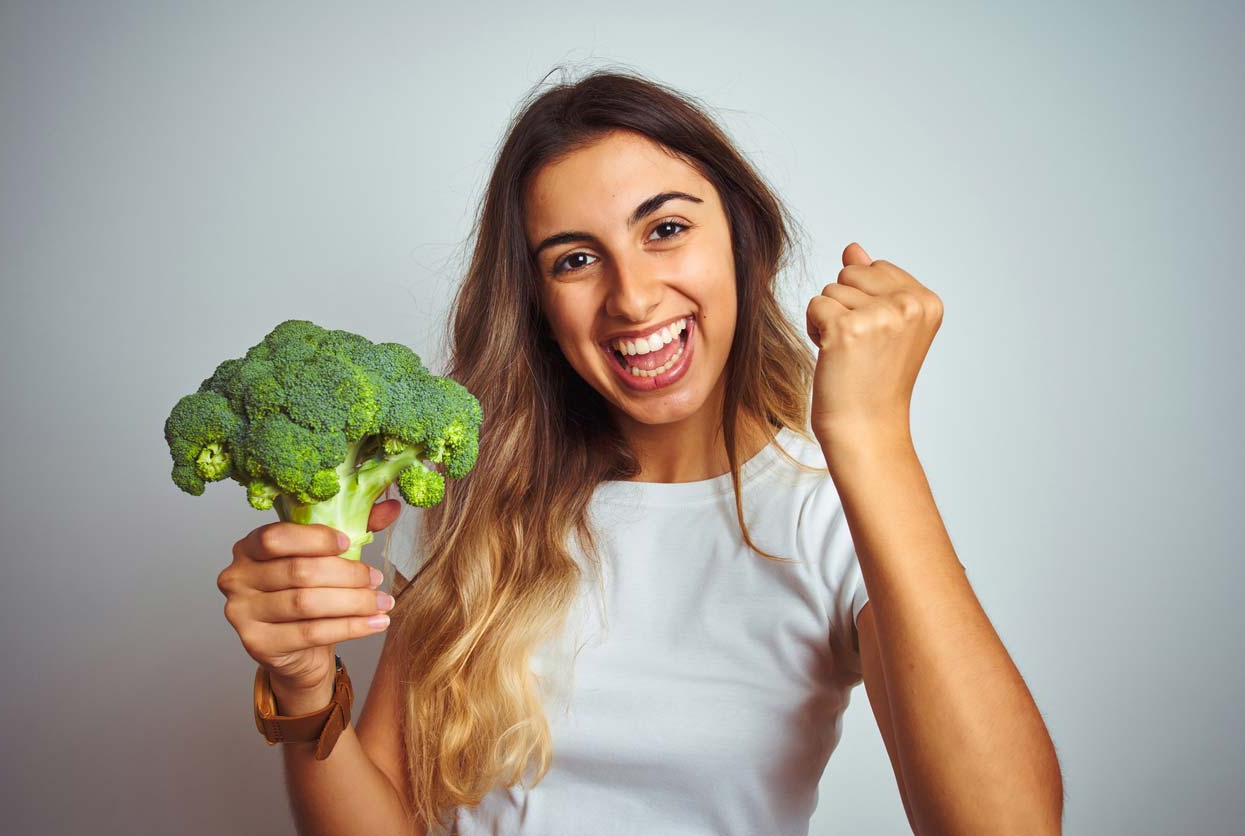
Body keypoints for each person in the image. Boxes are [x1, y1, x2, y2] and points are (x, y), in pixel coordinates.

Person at [219, 68, 1063, 836]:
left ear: (741, 236)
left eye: (664, 228)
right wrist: (302, 686)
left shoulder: (829, 515)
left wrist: (871, 441)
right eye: (576, 259)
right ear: (536, 305)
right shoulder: (463, 496)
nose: (631, 296)